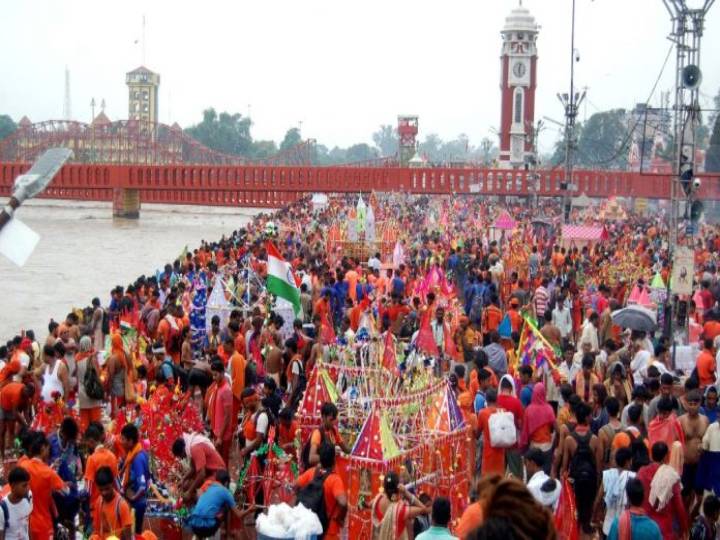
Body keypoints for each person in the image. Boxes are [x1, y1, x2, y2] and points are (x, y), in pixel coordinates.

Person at [17, 431, 68, 540]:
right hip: (43, 524)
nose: (49, 452)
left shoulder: (24, 465)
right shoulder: (48, 473)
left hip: (26, 523)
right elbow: (65, 491)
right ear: (42, 449)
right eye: (48, 449)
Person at [561, 401, 601, 536]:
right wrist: (598, 483)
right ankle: (586, 531)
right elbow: (598, 466)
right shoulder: (595, 439)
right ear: (585, 418)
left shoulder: (569, 439)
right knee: (587, 509)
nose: (591, 418)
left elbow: (565, 466)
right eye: (589, 416)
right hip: (590, 481)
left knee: (575, 509)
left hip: (575, 481)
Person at [295, 443, 347, 540]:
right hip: (329, 531)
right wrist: (340, 518)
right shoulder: (335, 480)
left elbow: (295, 485)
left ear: (320, 458)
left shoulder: (312, 472)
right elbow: (343, 503)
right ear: (334, 459)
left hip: (311, 529)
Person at [636, 441, 688, 539]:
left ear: (651, 455)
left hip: (643, 527)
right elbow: (679, 507)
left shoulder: (642, 472)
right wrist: (684, 529)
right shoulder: (671, 476)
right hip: (664, 530)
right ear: (666, 457)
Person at [186, 470, 253, 539]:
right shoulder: (226, 492)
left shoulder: (207, 483)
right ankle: (226, 534)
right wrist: (250, 509)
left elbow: (199, 497)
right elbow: (239, 515)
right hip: (207, 527)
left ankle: (199, 536)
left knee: (207, 512)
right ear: (226, 482)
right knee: (226, 508)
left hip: (192, 522)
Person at [370, 470, 428, 540]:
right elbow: (424, 509)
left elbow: (362, 505)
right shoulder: (401, 510)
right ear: (398, 487)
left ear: (384, 487)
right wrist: (406, 493)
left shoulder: (377, 501)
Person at [172, 432, 226, 503]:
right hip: (211, 473)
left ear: (182, 450)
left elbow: (201, 475)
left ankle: (203, 505)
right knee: (185, 484)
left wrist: (189, 492)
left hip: (218, 475)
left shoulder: (195, 448)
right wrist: (183, 479)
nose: (182, 458)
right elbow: (193, 469)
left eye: (180, 456)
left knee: (191, 490)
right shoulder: (192, 445)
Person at [679, 389, 709, 516]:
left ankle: (694, 520)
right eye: (689, 404)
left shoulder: (705, 420)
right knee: (684, 495)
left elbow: (707, 440)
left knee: (700, 495)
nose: (692, 407)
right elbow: (676, 443)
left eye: (695, 404)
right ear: (685, 404)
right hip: (686, 463)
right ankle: (685, 521)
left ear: (699, 403)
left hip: (700, 464)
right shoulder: (680, 420)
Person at [594, 446, 635, 538]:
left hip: (608, 526)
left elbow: (598, 500)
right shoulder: (633, 477)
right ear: (628, 461)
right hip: (626, 528)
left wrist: (594, 517)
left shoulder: (608, 475)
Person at [118, 423, 150, 534]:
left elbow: (142, 487)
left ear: (131, 441)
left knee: (135, 534)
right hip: (138, 501)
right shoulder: (138, 453)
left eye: (123, 439)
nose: (121, 442)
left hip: (137, 504)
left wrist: (131, 500)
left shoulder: (137, 459)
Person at [84, 422, 119, 517]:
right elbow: (118, 485)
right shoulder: (112, 456)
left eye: (87, 442)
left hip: (96, 508)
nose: (87, 445)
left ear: (91, 441)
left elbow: (88, 490)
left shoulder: (91, 459)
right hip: (112, 505)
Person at [519, 383, 555, 473]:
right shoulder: (549, 409)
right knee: (546, 474)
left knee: (533, 474)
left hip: (533, 447)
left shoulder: (529, 410)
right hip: (547, 447)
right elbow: (553, 427)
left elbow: (525, 431)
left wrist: (523, 448)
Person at [90, 465, 134, 540]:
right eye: (101, 490)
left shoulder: (122, 505)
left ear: (113, 484)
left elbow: (128, 536)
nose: (104, 493)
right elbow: (97, 530)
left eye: (107, 489)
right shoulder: (99, 502)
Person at [307, 402, 351, 467]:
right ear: (323, 417)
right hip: (321, 472)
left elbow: (346, 449)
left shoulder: (334, 431)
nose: (333, 422)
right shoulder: (318, 433)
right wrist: (330, 455)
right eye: (331, 420)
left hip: (331, 469)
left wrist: (357, 451)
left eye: (334, 419)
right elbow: (311, 458)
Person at [206, 360, 233, 465]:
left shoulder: (226, 390)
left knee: (222, 462)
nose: (214, 378)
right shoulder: (218, 386)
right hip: (217, 431)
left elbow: (227, 416)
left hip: (223, 434)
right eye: (212, 375)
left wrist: (220, 437)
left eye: (216, 375)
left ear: (222, 372)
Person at [75, 336, 104, 433]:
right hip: (92, 390)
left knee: (84, 419)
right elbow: (98, 374)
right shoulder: (92, 359)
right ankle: (95, 439)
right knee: (95, 419)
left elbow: (76, 375)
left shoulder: (77, 358)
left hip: (82, 391)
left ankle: (85, 439)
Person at [475, 389, 505, 476]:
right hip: (500, 452)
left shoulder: (482, 413)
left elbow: (477, 434)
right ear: (497, 399)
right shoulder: (503, 411)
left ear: (486, 400)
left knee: (487, 480)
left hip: (488, 453)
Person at [0, 382, 33, 459]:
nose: (28, 397)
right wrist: (25, 425)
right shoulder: (17, 394)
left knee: (11, 431)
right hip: (2, 403)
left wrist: (30, 425)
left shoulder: (27, 396)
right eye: (27, 395)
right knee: (2, 431)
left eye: (30, 396)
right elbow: (15, 413)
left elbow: (26, 413)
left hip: (11, 406)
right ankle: (2, 456)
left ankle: (12, 453)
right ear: (25, 390)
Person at [0, 466, 33, 540]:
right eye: (24, 485)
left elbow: (28, 526)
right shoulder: (2, 509)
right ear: (13, 486)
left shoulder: (28, 499)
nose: (28, 488)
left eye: (28, 484)